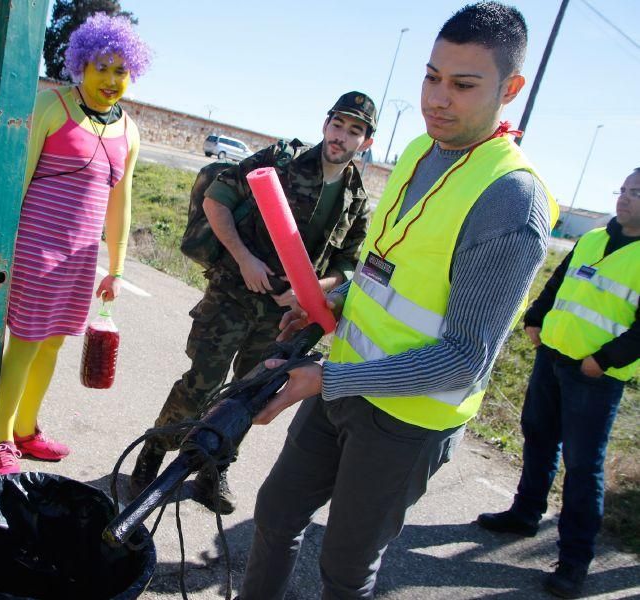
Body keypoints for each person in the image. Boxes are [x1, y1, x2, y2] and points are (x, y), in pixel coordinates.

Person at [238, 3, 559, 598]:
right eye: (431, 76)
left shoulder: (511, 200)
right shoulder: (420, 149)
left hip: (407, 420)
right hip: (342, 380)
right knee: (277, 513)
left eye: (463, 85)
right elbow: (388, 268)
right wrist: (328, 297)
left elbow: (466, 359)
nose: (437, 98)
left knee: (344, 566)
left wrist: (325, 378)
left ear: (510, 90)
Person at [127, 93, 377, 513]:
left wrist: (313, 288)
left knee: (248, 396)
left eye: (355, 131)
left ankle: (214, 469)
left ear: (365, 142)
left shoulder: (357, 201)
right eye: (338, 125)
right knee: (201, 384)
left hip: (283, 318)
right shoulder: (282, 160)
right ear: (326, 124)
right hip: (233, 296)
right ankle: (153, 453)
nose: (342, 137)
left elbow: (348, 266)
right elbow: (216, 201)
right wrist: (245, 260)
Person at [0, 13, 151, 475]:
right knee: (23, 344)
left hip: (81, 260)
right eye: (102, 67)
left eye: (121, 71)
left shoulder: (129, 131)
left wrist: (116, 268)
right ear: (81, 64)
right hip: (35, 250)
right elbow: (16, 181)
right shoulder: (51, 105)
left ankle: (25, 430)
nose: (111, 79)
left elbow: (120, 204)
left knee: (53, 346)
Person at [477, 169, 639, 599]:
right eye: (622, 190)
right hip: (553, 357)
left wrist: (604, 360)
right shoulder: (592, 238)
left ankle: (574, 562)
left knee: (583, 468)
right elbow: (559, 281)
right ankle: (525, 513)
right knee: (538, 437)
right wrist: (535, 317)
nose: (624, 199)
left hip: (595, 377)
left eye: (635, 193)